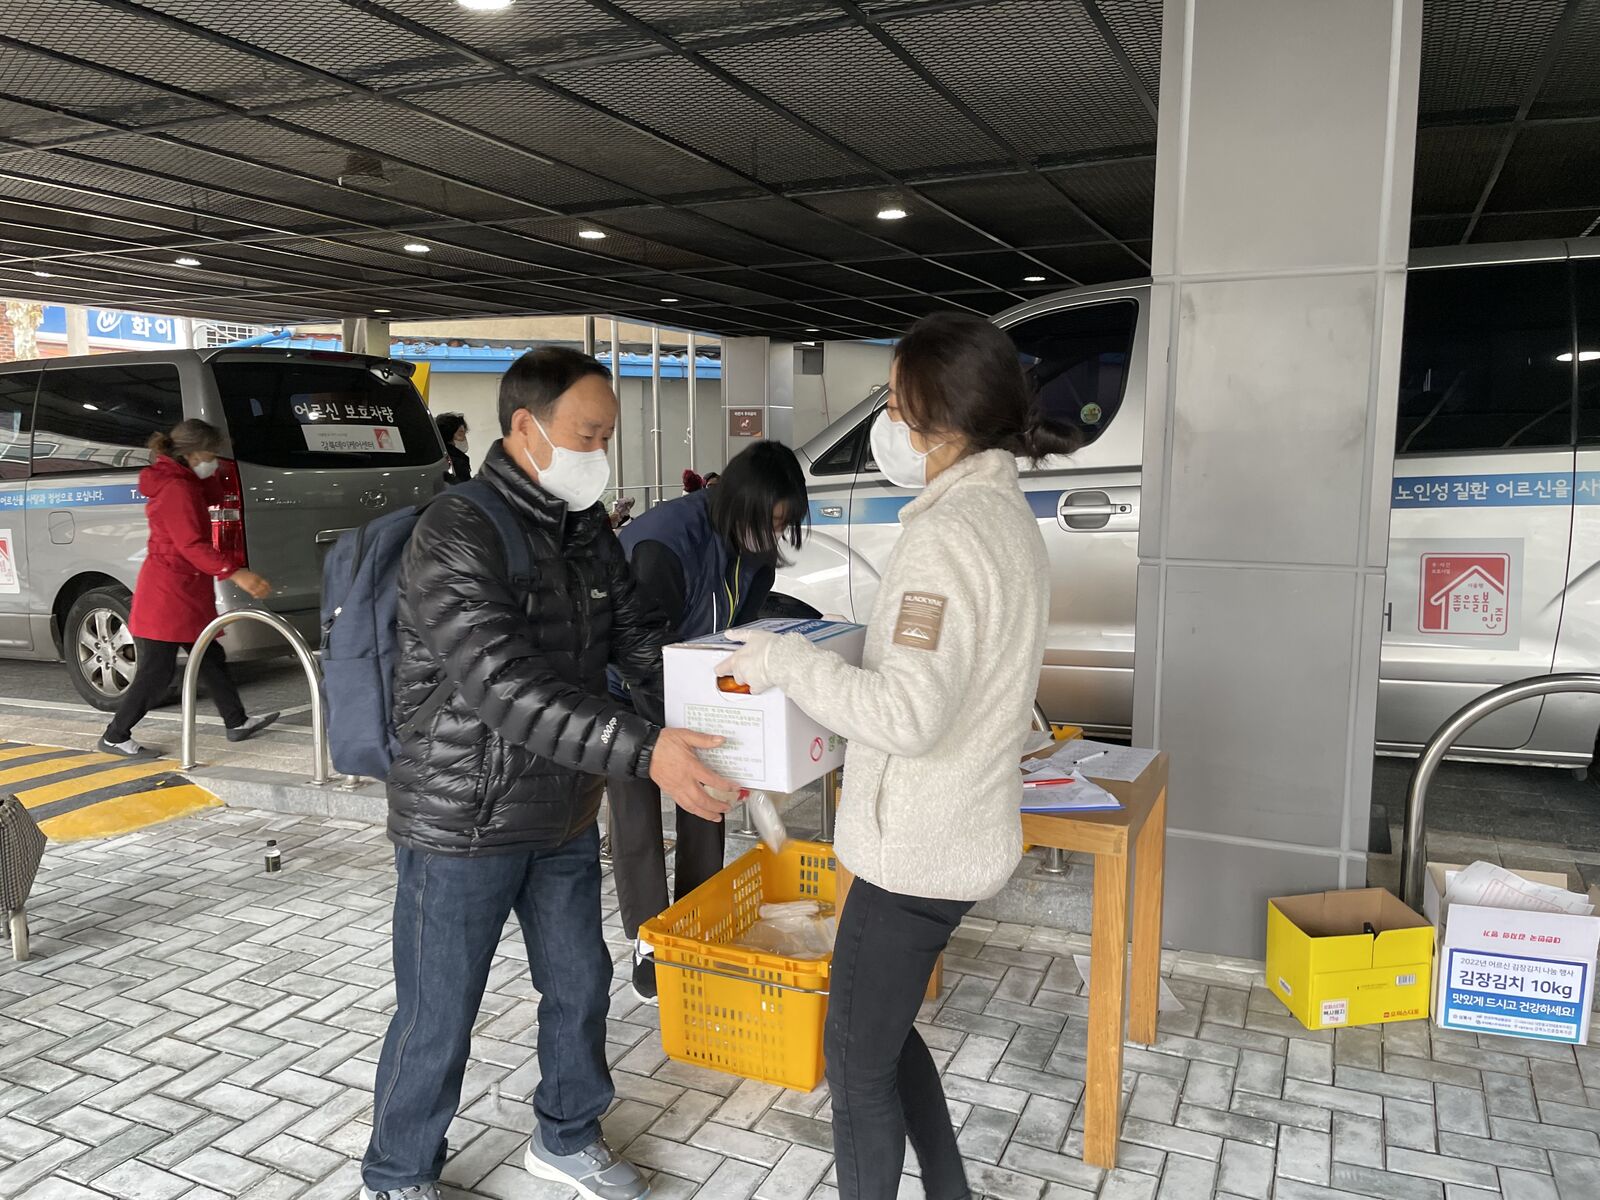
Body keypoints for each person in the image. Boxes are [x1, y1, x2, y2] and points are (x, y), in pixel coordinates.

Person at [361, 347, 739, 1200]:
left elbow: (639, 638)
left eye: (607, 436)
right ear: (527, 427)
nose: (600, 452)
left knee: (580, 984)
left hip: (562, 805)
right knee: (438, 1012)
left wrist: (722, 721)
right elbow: (503, 685)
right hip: (462, 819)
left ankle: (566, 1135)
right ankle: (396, 1173)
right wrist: (646, 751)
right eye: (588, 434)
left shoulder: (585, 527)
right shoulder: (456, 530)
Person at [716, 313, 1078, 1200]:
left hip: (917, 847)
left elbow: (908, 714)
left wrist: (786, 661)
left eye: (892, 401)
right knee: (878, 1033)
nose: (885, 420)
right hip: (950, 830)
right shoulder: (1002, 516)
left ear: (935, 417)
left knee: (854, 1067)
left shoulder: (949, 535)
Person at [607, 440, 809, 1002]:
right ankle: (650, 937)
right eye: (770, 522)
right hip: (624, 684)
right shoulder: (665, 545)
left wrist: (733, 724)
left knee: (708, 795)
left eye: (783, 525)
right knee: (637, 805)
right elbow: (638, 655)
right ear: (739, 503)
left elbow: (741, 629)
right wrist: (675, 741)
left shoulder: (752, 545)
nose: (774, 535)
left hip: (690, 680)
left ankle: (695, 917)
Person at [98, 420, 277, 759]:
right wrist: (235, 573)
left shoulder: (184, 481)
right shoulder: (176, 488)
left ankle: (236, 721)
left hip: (183, 589)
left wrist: (216, 473)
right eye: (212, 453)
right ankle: (115, 735)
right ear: (194, 453)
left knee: (210, 657)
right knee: (157, 673)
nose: (214, 460)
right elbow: (191, 544)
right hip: (169, 593)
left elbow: (211, 496)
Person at [436, 412, 471, 485]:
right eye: (460, 433)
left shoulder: (437, 456)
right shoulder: (458, 460)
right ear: (448, 434)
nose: (464, 437)